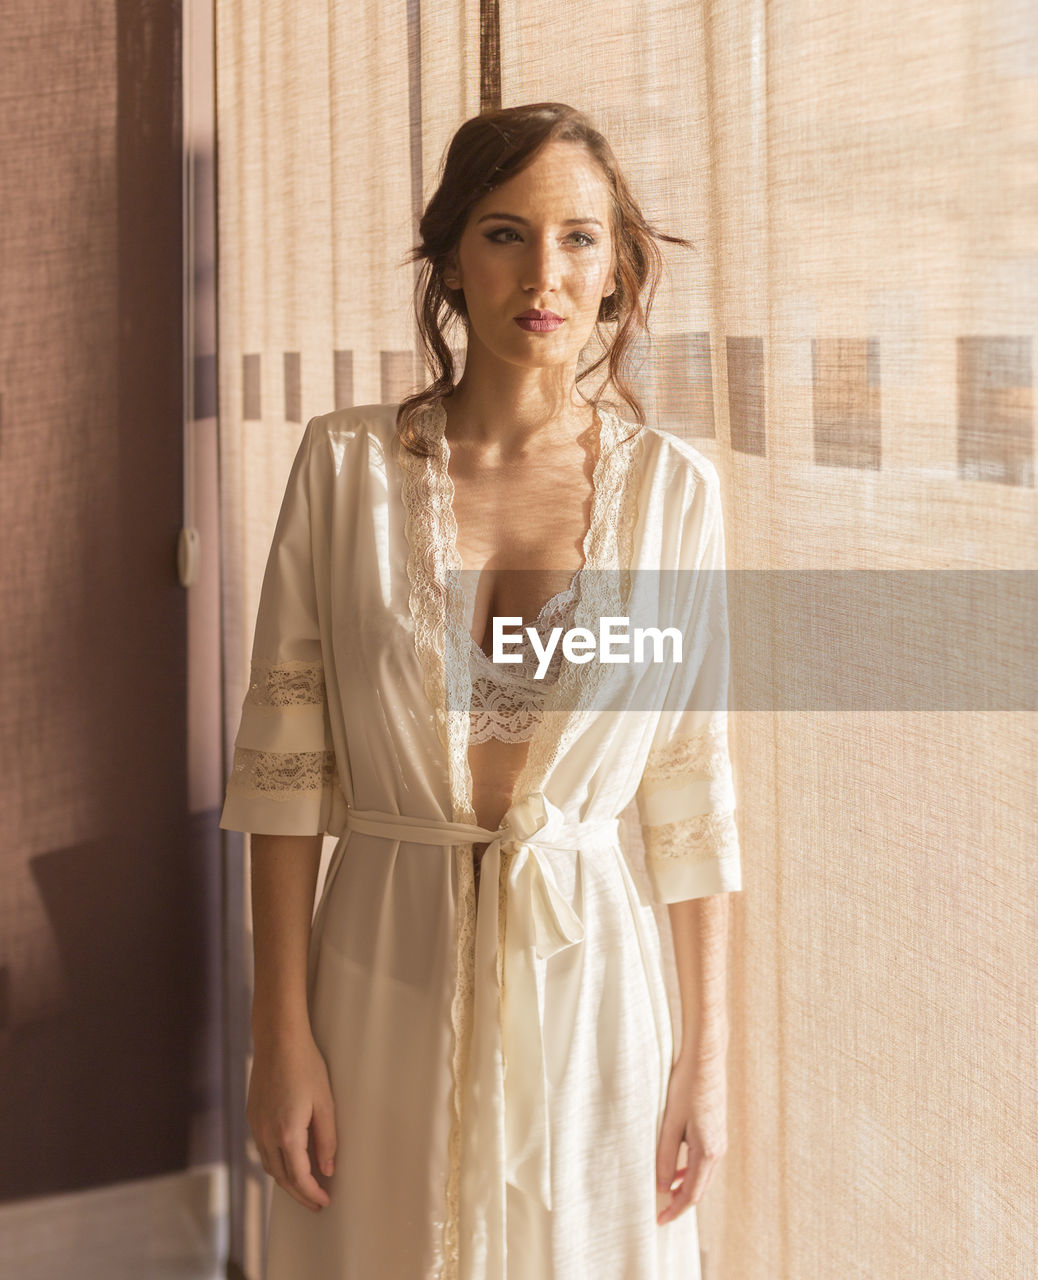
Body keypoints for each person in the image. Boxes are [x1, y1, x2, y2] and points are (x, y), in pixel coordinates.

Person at [219, 102, 743, 1280]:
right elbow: (284, 771)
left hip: (593, 986)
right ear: (453, 255)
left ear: (617, 269)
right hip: (377, 977)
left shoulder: (675, 496)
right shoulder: (344, 470)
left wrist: (703, 1062)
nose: (542, 273)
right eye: (507, 234)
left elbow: (689, 791)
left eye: (579, 239)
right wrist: (280, 1033)